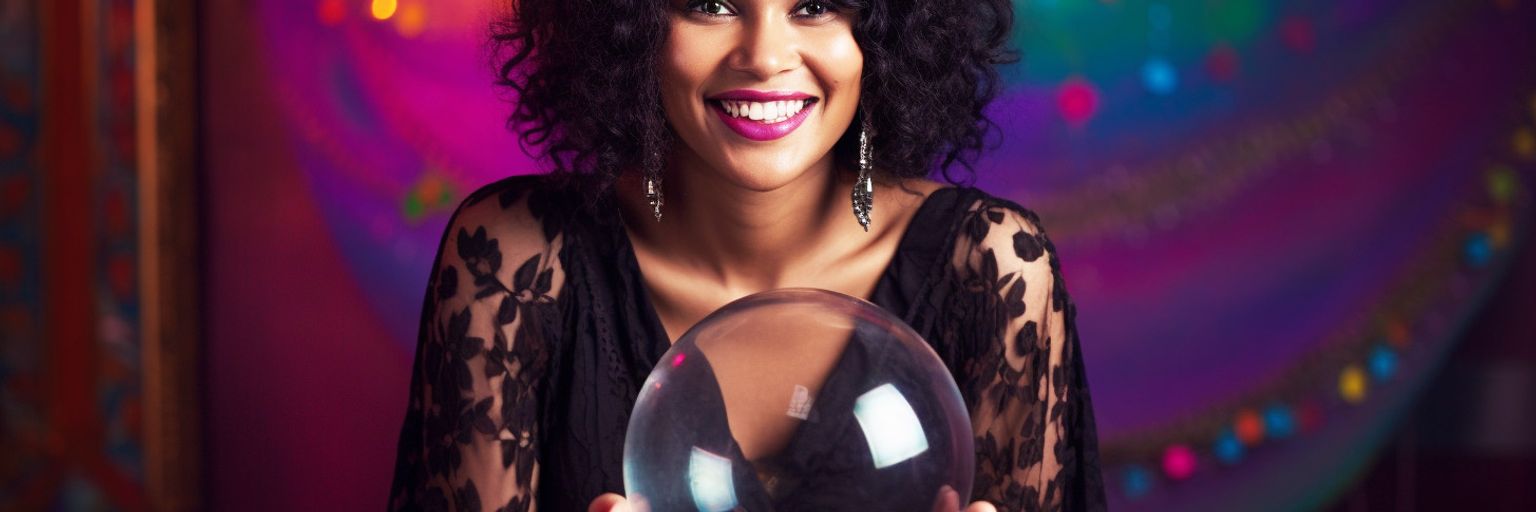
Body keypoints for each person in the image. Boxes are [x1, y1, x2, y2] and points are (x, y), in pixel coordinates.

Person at [387, 0, 1105, 510]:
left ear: (887, 32)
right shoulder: (511, 262)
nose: (764, 56)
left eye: (817, 5)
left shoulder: (996, 270)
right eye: (709, 3)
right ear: (629, 26)